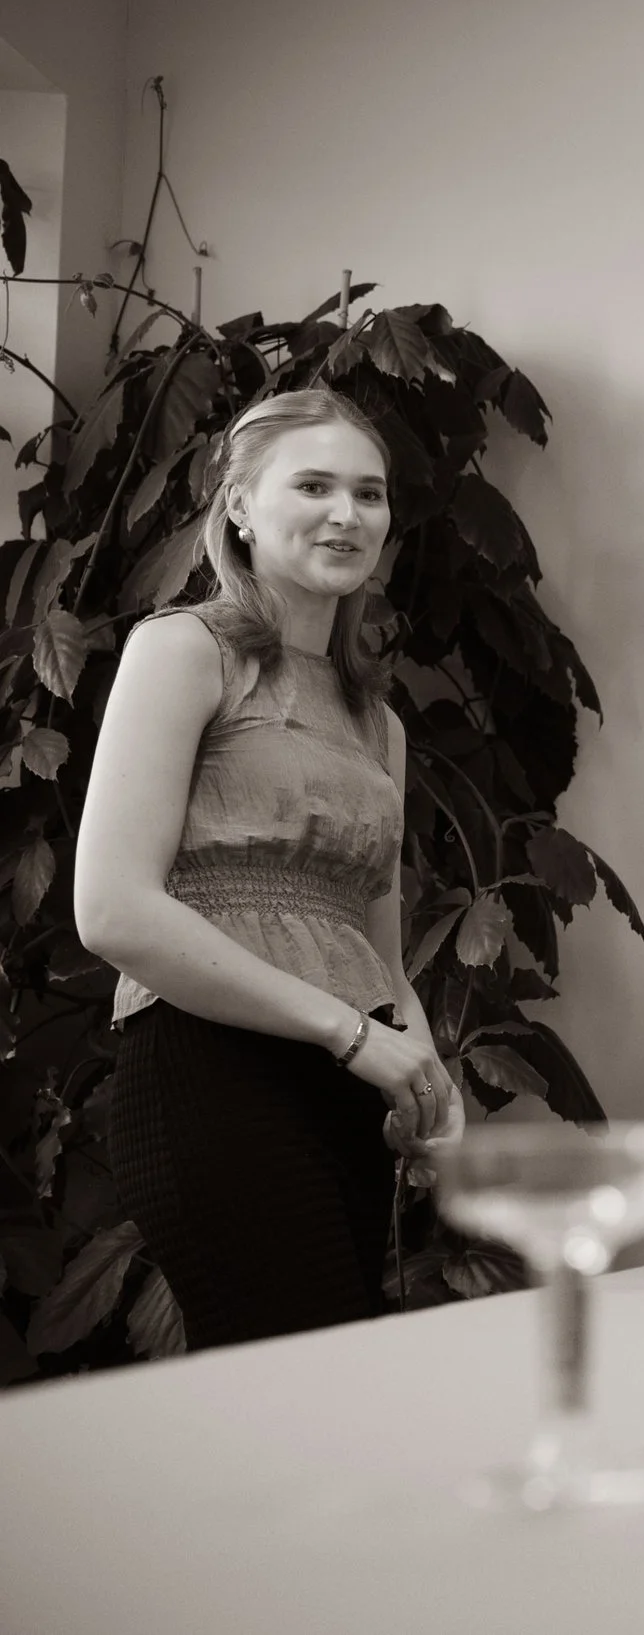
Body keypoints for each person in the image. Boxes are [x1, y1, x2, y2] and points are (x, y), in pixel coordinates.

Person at [75, 388, 459, 1351]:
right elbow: (113, 911)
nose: (348, 513)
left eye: (368, 494)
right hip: (211, 1072)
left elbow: (380, 956)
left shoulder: (382, 722)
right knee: (313, 1380)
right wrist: (348, 1035)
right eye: (315, 485)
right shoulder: (182, 648)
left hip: (351, 1089)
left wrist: (433, 1090)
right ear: (239, 505)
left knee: (319, 1396)